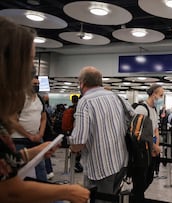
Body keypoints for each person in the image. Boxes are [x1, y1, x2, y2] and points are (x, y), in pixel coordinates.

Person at [0, 16, 89, 203]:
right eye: (30, 60)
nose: (32, 69)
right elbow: (9, 190)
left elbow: (5, 163)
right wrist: (66, 192)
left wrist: (33, 151)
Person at [69, 66, 133, 202]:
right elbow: (133, 118)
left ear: (82, 83)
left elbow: (79, 142)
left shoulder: (85, 102)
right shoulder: (116, 97)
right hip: (121, 162)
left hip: (101, 168)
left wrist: (72, 147)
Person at [11, 76, 48, 181]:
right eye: (34, 84)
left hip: (36, 138)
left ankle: (43, 191)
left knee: (41, 167)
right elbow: (13, 121)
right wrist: (29, 136)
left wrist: (40, 134)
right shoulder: (20, 99)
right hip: (18, 139)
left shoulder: (40, 99)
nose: (36, 86)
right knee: (18, 168)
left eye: (37, 84)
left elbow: (43, 118)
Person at [133, 84, 163, 203]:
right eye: (160, 95)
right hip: (142, 152)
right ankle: (135, 198)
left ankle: (133, 197)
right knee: (140, 181)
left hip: (152, 150)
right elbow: (137, 133)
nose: (161, 97)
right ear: (153, 94)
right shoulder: (141, 109)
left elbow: (155, 129)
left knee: (149, 178)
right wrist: (153, 146)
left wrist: (157, 145)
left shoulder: (154, 109)